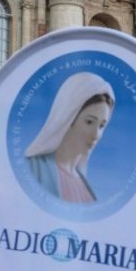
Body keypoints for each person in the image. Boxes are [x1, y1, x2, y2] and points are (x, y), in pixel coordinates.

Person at [25, 72, 116, 203]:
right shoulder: (33, 168)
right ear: (68, 118)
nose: (96, 135)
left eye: (101, 125)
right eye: (89, 122)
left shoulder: (86, 188)